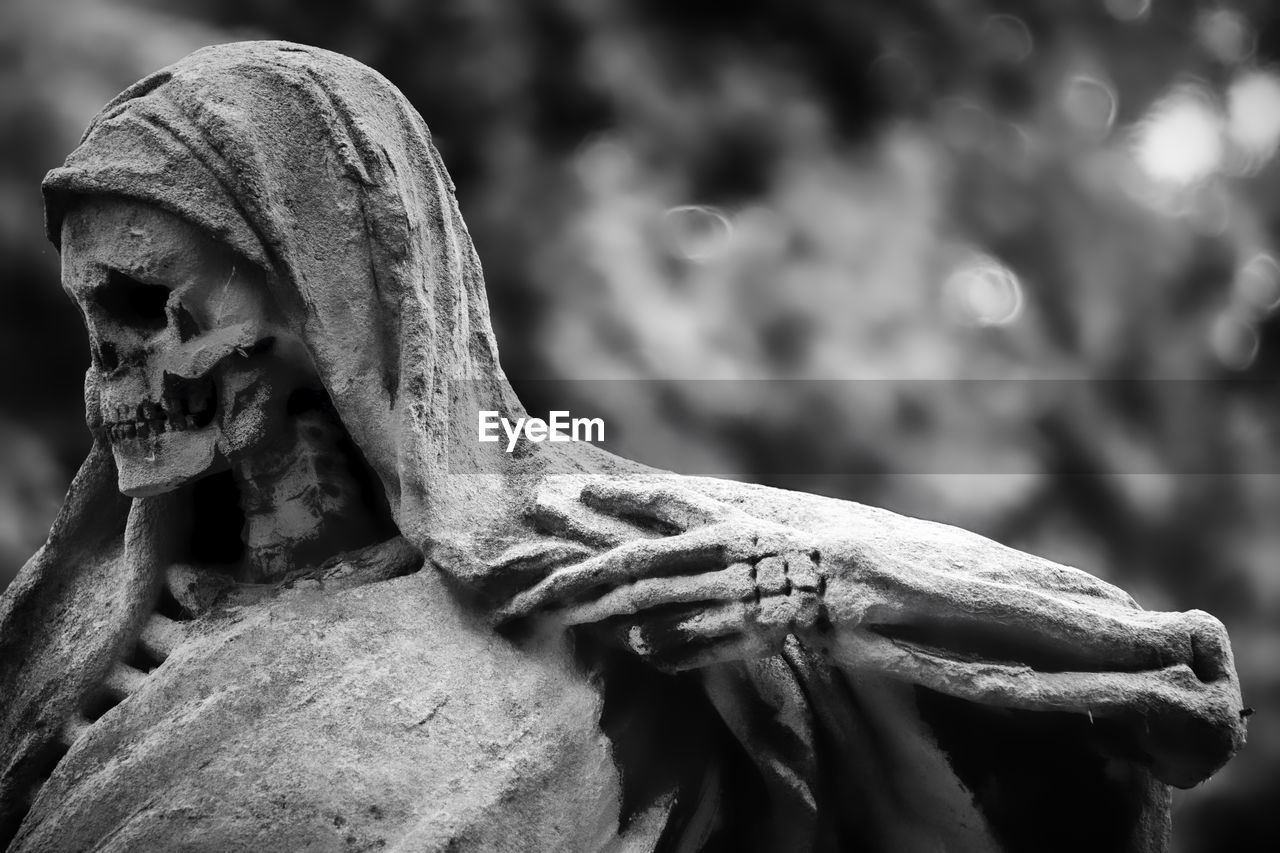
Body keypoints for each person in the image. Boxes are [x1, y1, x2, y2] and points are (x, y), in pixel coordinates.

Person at [0, 42, 1245, 852]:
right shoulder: (66, 660)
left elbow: (1156, 671)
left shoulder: (591, 581)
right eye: (90, 316)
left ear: (318, 299)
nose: (112, 370)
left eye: (153, 309)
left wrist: (809, 603)